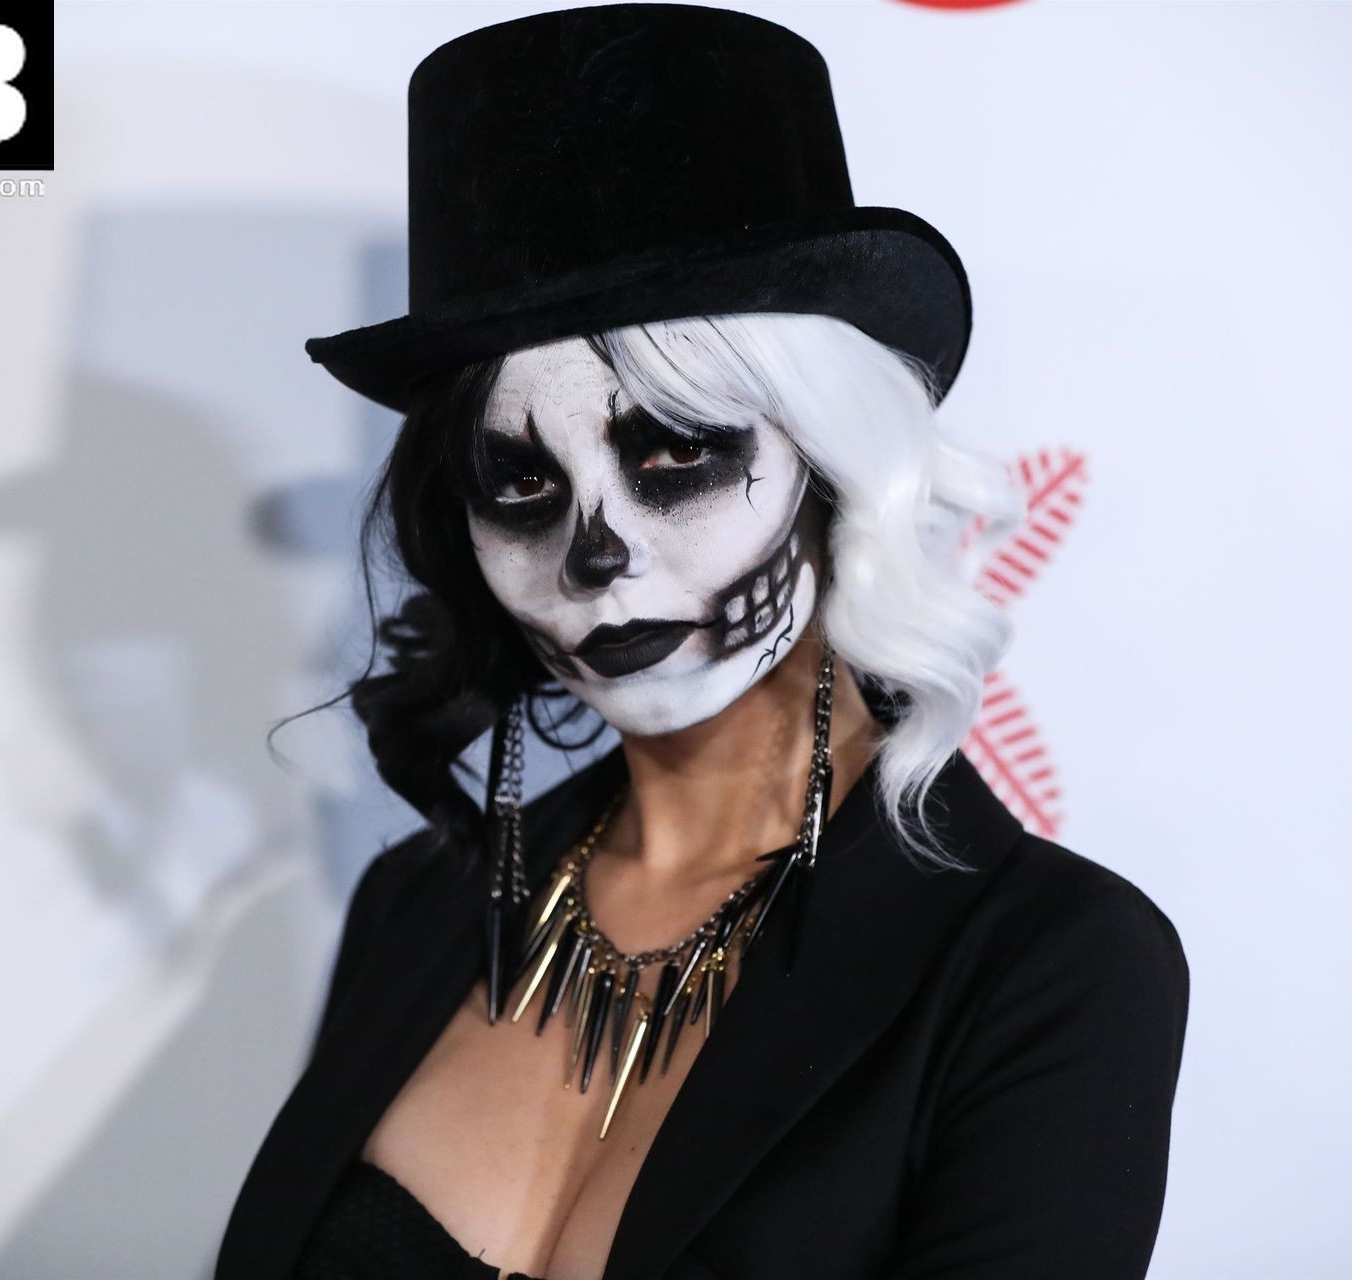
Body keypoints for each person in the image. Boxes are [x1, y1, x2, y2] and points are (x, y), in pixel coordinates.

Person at [216, 5, 1190, 1278]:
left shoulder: (1048, 962)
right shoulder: (421, 904)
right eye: (521, 484)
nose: (597, 553)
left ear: (834, 461)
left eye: (674, 453)